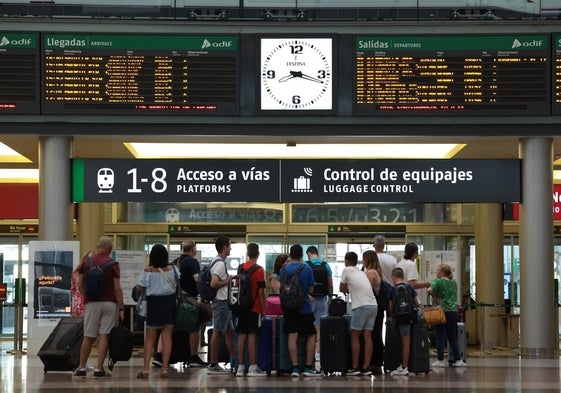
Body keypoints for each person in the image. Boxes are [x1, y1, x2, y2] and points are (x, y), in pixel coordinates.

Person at [73, 236, 124, 379]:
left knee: (88, 336)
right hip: (110, 303)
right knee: (104, 335)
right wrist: (121, 307)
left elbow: (79, 284)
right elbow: (117, 289)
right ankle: (99, 368)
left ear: (98, 246)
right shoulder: (113, 264)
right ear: (110, 249)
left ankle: (82, 367)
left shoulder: (87, 262)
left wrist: (87, 296)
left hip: (92, 303)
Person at [135, 244, 179, 379]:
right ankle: (165, 369)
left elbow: (140, 288)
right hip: (170, 303)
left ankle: (146, 369)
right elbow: (177, 286)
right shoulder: (174, 269)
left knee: (150, 338)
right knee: (167, 337)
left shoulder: (148, 270)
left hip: (154, 305)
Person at [279, 244, 321, 377]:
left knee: (292, 336)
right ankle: (308, 367)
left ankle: (295, 368)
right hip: (304, 307)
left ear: (290, 255)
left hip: (288, 308)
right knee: (311, 335)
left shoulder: (283, 270)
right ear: (302, 255)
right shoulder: (306, 268)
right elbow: (310, 289)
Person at [339, 251, 377, 376]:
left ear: (346, 260)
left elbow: (341, 288)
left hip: (361, 306)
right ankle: (366, 367)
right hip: (373, 305)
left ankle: (355, 367)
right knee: (367, 336)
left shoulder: (347, 270)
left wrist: (348, 289)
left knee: (354, 336)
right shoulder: (361, 272)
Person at [171, 240, 207, 368]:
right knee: (194, 326)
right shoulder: (192, 261)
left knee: (172, 327)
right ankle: (193, 357)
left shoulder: (175, 262)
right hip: (188, 299)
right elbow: (198, 279)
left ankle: (163, 355)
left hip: (175, 298)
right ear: (193, 249)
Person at [235, 243, 267, 377]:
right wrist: (264, 309)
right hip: (254, 307)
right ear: (258, 254)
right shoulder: (259, 270)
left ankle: (240, 368)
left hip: (241, 306)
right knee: (252, 336)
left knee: (242, 336)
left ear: (248, 253)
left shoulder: (240, 267)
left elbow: (238, 286)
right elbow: (261, 291)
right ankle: (253, 367)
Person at [428, 263, 467, 368]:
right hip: (453, 312)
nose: (436, 272)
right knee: (452, 336)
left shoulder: (438, 281)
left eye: (437, 270)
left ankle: (440, 360)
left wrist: (435, 297)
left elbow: (429, 290)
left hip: (441, 311)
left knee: (440, 336)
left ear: (442, 272)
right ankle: (458, 360)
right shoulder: (454, 282)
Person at [207, 236, 235, 374]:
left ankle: (235, 361)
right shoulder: (219, 264)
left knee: (230, 332)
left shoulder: (217, 261)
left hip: (224, 303)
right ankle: (213, 364)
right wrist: (227, 280)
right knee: (217, 332)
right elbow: (214, 283)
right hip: (221, 302)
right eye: (229, 245)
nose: (231, 248)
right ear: (224, 247)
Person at [388, 267, 420, 376]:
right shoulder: (409, 288)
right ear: (403, 276)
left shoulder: (392, 289)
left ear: (393, 277)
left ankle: (403, 367)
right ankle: (406, 365)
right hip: (409, 317)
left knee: (398, 342)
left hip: (398, 317)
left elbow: (391, 307)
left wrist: (392, 317)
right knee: (406, 342)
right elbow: (417, 303)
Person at [305, 245, 333, 357]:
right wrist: (330, 297)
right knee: (320, 327)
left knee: (309, 326)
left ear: (309, 254)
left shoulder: (306, 265)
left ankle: (309, 353)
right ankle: (317, 353)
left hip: (309, 299)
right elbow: (330, 283)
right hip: (322, 299)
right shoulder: (326, 265)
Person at [362, 250, 385, 374]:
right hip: (378, 308)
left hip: (371, 306)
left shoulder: (370, 273)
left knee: (372, 335)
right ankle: (378, 362)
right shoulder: (377, 272)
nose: (362, 261)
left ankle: (373, 362)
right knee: (377, 333)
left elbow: (367, 290)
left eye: (364, 259)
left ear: (368, 260)